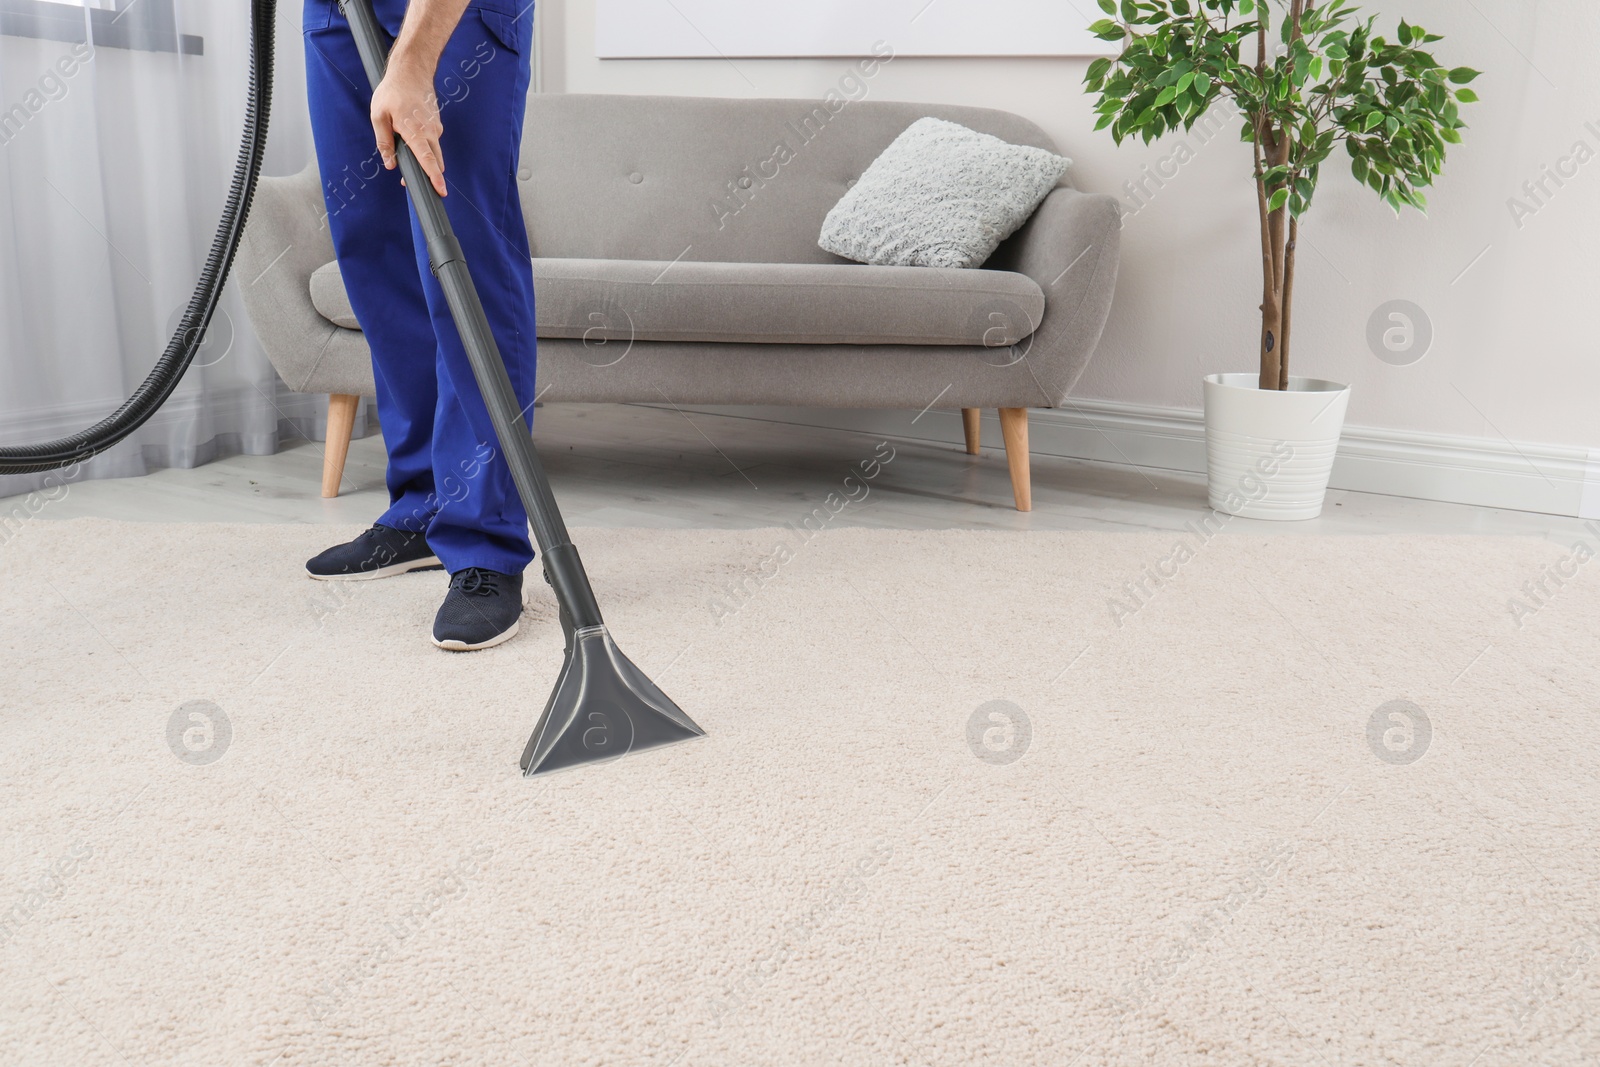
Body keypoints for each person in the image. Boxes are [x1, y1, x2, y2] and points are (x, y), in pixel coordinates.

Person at [300, 0, 539, 651]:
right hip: (336, 12)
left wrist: (413, 60)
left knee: (462, 248)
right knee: (370, 244)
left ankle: (484, 541)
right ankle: (423, 506)